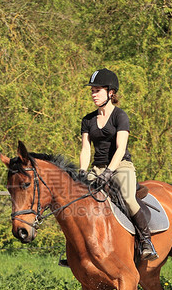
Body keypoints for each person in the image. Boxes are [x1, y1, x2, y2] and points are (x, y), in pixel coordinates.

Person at [59, 68, 158, 266]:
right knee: (74, 200)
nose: (93, 94)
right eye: (92, 90)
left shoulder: (120, 116)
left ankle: (147, 242)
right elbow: (85, 148)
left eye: (98, 90)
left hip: (121, 166)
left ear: (111, 92)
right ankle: (76, 249)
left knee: (129, 199)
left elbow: (121, 149)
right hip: (96, 168)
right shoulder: (88, 120)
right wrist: (82, 171)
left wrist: (109, 172)